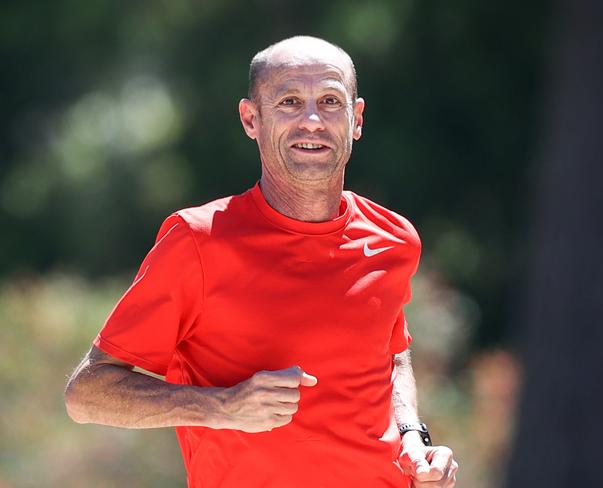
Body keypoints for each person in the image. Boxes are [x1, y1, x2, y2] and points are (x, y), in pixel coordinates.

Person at [64, 36, 458, 488]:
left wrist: (412, 436)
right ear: (252, 119)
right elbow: (87, 393)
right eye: (290, 101)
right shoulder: (198, 240)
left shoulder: (394, 239)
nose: (312, 120)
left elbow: (393, 354)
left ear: (357, 119)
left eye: (330, 101)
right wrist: (222, 406)